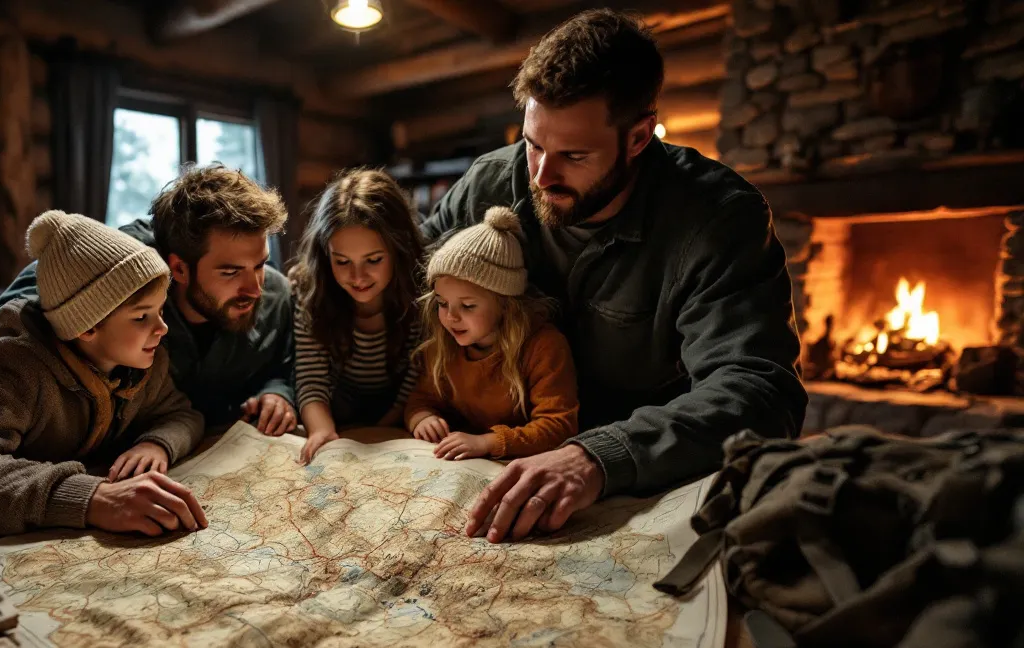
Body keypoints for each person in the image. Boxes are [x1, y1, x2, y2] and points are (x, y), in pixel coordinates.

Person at [419, 10, 806, 542]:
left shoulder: (719, 218)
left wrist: (596, 458)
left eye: (574, 155)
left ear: (640, 137)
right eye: (532, 143)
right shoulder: (493, 179)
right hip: (494, 452)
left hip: (639, 484)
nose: (540, 176)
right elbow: (407, 277)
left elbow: (760, 392)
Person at [0, 211, 207, 538]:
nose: (162, 327)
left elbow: (182, 414)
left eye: (160, 310)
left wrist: (157, 444)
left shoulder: (143, 364)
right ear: (87, 326)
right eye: (142, 317)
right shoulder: (15, 366)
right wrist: (89, 498)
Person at [0, 164, 297, 436]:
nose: (256, 288)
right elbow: (24, 302)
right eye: (231, 272)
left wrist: (278, 393)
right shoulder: (128, 264)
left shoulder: (275, 294)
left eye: (260, 265)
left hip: (205, 445)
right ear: (179, 268)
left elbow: (288, 365)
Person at [405, 207, 580, 475]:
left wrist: (487, 442)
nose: (451, 317)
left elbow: (558, 425)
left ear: (505, 305)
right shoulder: (444, 345)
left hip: (512, 462)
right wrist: (422, 417)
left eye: (468, 306)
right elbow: (422, 397)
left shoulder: (544, 347)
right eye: (442, 303)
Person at [288, 170, 426, 465]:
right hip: (336, 411)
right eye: (342, 262)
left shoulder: (423, 290)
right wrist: (321, 430)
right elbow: (311, 377)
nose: (358, 277)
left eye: (374, 260)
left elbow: (418, 378)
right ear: (325, 256)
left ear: (398, 251)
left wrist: (384, 428)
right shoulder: (309, 289)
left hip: (403, 416)